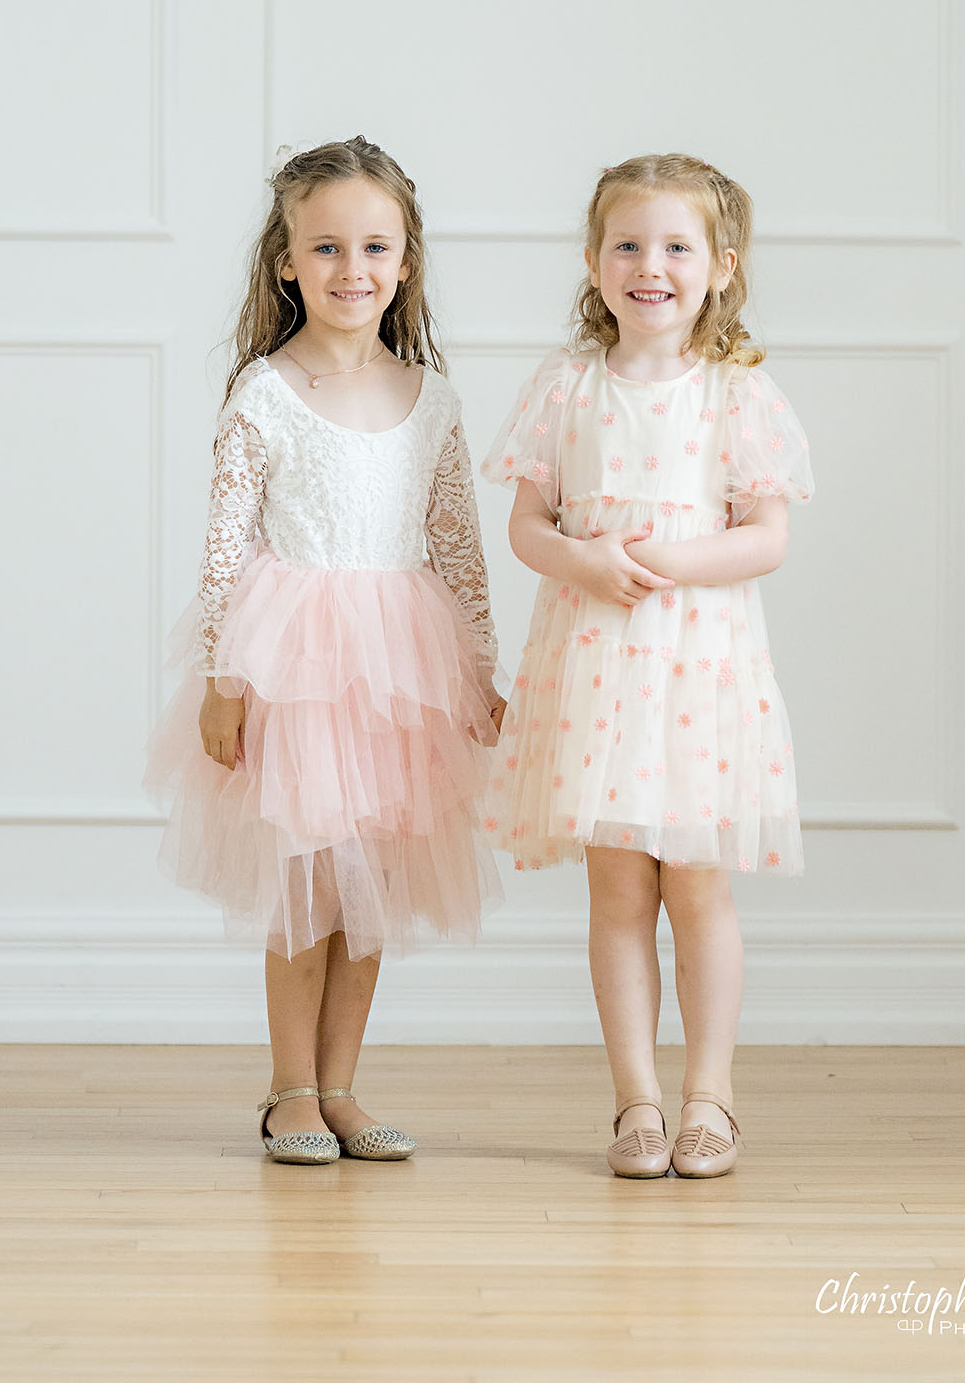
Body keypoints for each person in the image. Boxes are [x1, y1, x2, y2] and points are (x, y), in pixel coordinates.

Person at [145, 136, 506, 1165]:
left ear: (405, 263)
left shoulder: (430, 399)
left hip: (402, 669)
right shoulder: (265, 391)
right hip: (293, 663)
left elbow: (458, 548)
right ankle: (289, 1089)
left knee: (372, 889)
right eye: (328, 247)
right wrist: (223, 676)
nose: (354, 269)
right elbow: (224, 551)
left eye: (375, 248)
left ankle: (343, 1083)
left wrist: (480, 672)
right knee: (309, 879)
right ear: (287, 263)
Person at [480, 152, 814, 1180]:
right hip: (596, 672)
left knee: (699, 894)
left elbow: (764, 537)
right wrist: (582, 557)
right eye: (626, 245)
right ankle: (636, 1103)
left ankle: (709, 1097)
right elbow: (528, 523)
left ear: (718, 267)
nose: (648, 266)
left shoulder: (733, 396)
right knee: (617, 896)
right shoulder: (566, 386)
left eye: (674, 247)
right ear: (592, 262)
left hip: (697, 674)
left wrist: (672, 559)